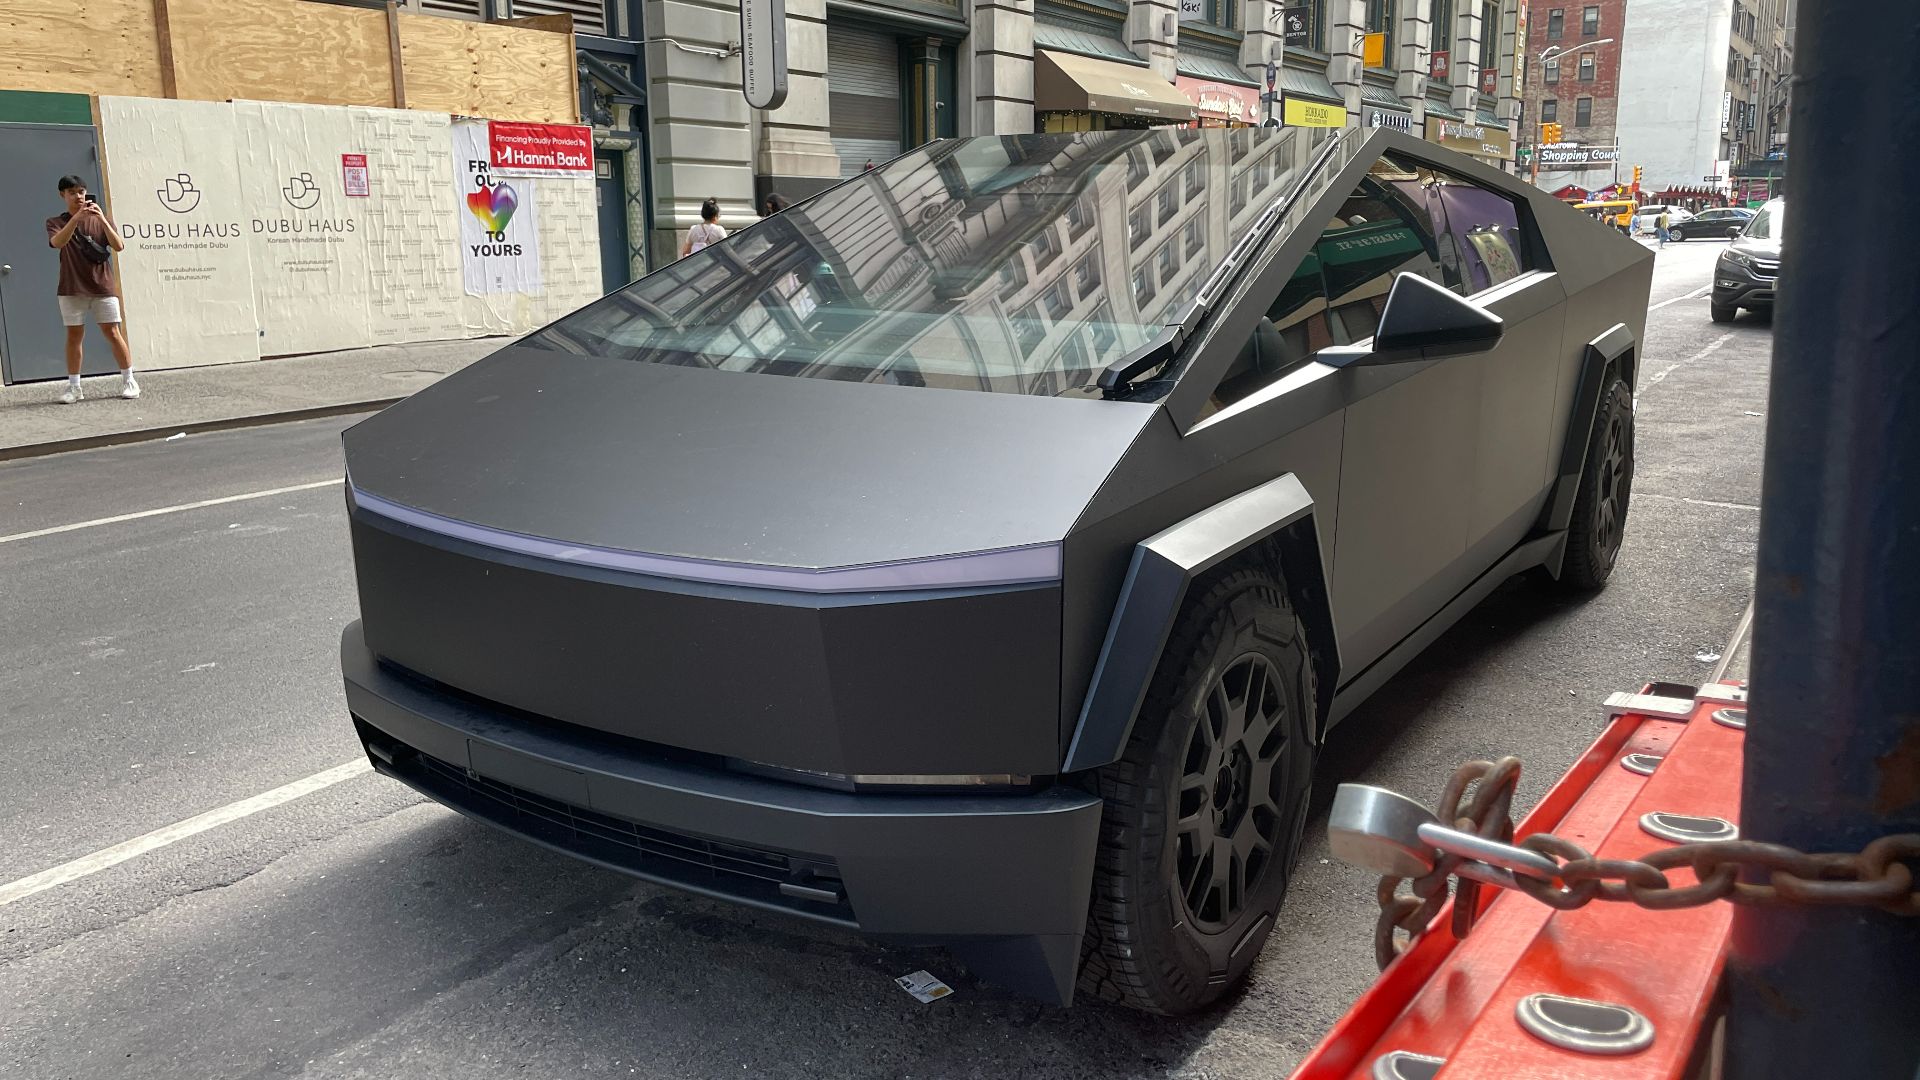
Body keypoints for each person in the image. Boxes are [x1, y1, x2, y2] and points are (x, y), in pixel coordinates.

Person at [45, 175, 137, 402]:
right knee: (74, 335)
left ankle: (129, 380)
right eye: (73, 192)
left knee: (113, 332)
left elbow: (119, 246)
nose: (79, 196)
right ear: (62, 195)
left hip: (102, 286)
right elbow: (58, 242)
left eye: (82, 191)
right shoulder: (56, 221)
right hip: (71, 287)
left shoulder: (101, 218)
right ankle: (74, 387)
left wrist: (102, 220)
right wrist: (76, 219)